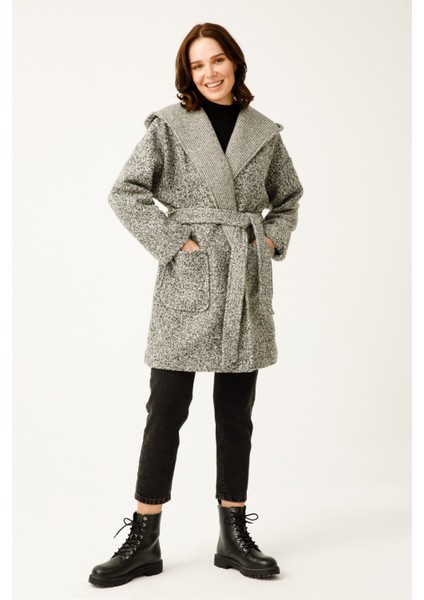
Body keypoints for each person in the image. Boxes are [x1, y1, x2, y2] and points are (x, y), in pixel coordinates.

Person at [88, 22, 303, 587]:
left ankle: (234, 536)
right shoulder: (169, 126)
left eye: (217, 60)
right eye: (197, 64)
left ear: (235, 62)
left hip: (244, 280)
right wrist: (172, 242)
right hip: (190, 277)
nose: (209, 72)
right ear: (188, 73)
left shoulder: (264, 132)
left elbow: (288, 197)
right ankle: (144, 537)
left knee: (236, 413)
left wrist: (270, 240)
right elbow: (126, 191)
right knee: (165, 409)